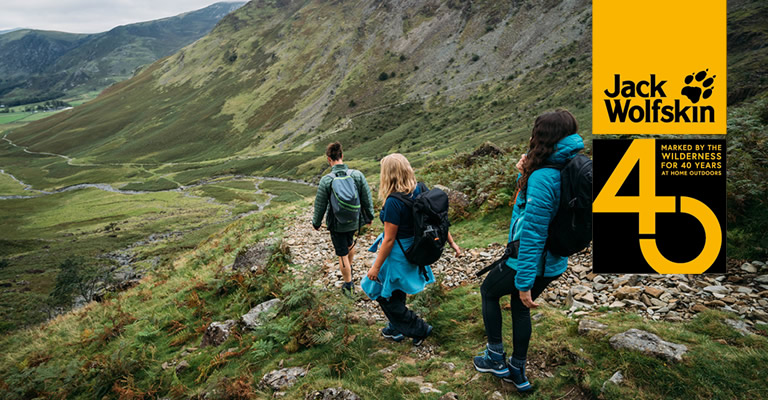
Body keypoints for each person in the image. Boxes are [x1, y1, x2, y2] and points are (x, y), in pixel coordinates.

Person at [473, 109, 583, 392]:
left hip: (531, 260)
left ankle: (495, 357)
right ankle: (516, 372)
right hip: (555, 261)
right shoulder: (571, 163)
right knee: (521, 311)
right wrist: (524, 172)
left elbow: (533, 233)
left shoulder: (544, 178)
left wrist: (524, 283)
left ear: (542, 136)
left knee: (489, 291)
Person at [361, 153, 461, 345]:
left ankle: (418, 329)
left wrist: (375, 267)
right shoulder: (421, 189)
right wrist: (452, 243)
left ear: (388, 175)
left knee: (382, 293)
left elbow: (389, 240)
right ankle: (395, 328)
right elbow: (438, 221)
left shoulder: (393, 202)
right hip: (415, 247)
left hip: (397, 252)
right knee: (395, 287)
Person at [312, 142, 374, 296]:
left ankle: (348, 285)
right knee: (350, 243)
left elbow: (320, 205)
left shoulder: (327, 180)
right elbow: (367, 198)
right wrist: (370, 216)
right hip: (354, 221)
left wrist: (316, 222)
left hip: (337, 223)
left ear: (329, 159)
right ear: (342, 156)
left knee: (341, 254)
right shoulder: (357, 175)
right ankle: (348, 267)